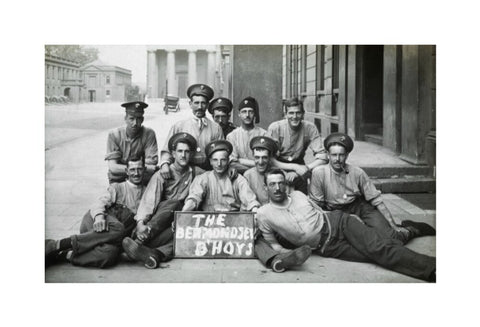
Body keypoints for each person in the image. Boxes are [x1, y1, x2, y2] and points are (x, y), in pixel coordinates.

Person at [256, 169, 436, 282]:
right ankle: (409, 230)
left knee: (379, 248)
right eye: (272, 184)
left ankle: (433, 269)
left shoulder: (298, 196)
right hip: (328, 247)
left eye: (281, 183)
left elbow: (321, 211)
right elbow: (275, 245)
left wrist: (349, 219)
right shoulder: (263, 214)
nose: (277, 188)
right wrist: (285, 253)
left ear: (286, 185)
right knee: (376, 254)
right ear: (266, 188)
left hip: (339, 224)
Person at [309, 132, 435, 244]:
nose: (337, 159)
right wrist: (346, 219)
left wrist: (393, 227)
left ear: (347, 155)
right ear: (327, 155)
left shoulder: (357, 172)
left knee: (393, 238)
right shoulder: (319, 173)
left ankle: (411, 229)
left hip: (359, 207)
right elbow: (316, 206)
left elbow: (377, 201)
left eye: (341, 155)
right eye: (334, 155)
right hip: (334, 212)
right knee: (362, 241)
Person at [45, 156, 147, 268]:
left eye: (139, 169)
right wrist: (99, 216)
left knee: (110, 254)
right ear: (127, 171)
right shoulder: (118, 187)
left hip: (110, 237)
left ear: (144, 169)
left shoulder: (148, 192)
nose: (136, 173)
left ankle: (64, 255)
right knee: (119, 228)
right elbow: (99, 202)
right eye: (132, 169)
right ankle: (59, 244)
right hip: (96, 222)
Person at [121, 133, 198, 269]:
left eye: (187, 151)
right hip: (156, 224)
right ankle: (139, 240)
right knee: (175, 203)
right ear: (173, 154)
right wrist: (141, 224)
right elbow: (149, 200)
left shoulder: (196, 172)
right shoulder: (162, 174)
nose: (183, 155)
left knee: (184, 236)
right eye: (180, 151)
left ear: (191, 154)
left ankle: (153, 255)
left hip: (174, 224)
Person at [243, 136, 310, 272]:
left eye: (264, 157)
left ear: (270, 158)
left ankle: (284, 254)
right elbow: (245, 203)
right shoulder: (247, 175)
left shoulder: (281, 176)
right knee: (255, 239)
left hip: (281, 224)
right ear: (253, 157)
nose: (260, 162)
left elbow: (291, 202)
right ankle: (278, 259)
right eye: (257, 157)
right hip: (260, 224)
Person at [159, 84, 224, 175]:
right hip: (184, 172)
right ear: (190, 104)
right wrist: (165, 164)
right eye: (196, 103)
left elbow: (221, 152)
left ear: (208, 105)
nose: (200, 107)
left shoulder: (216, 128)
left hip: (208, 172)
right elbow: (167, 151)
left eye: (203, 103)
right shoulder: (179, 126)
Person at [267, 97, 328, 193]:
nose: (294, 116)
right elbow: (270, 159)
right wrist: (294, 168)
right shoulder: (275, 128)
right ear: (285, 114)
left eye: (298, 113)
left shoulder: (310, 128)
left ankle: (315, 198)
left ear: (303, 114)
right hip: (279, 166)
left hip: (300, 165)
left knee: (302, 195)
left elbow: (323, 157)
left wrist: (305, 168)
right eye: (291, 113)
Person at [182, 140, 260, 212]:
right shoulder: (203, 178)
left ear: (228, 161)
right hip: (208, 221)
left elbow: (250, 200)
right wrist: (183, 213)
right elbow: (194, 198)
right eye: (215, 160)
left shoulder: (238, 179)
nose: (219, 164)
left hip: (234, 221)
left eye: (223, 160)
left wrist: (254, 209)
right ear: (210, 161)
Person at [105, 101, 158, 184]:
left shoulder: (148, 134)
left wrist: (125, 167)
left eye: (138, 119)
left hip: (140, 178)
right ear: (125, 118)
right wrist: (140, 167)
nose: (135, 123)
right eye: (131, 118)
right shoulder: (114, 135)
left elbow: (152, 162)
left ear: (142, 119)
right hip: (119, 179)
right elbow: (113, 167)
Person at [227, 96, 268, 174]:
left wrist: (240, 160)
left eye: (250, 112)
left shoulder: (263, 134)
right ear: (239, 114)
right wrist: (252, 170)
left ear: (255, 114)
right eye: (244, 112)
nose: (247, 115)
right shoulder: (232, 136)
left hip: (261, 175)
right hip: (239, 175)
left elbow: (266, 161)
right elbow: (232, 163)